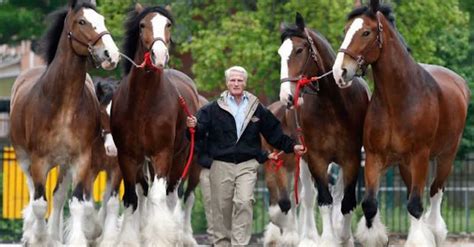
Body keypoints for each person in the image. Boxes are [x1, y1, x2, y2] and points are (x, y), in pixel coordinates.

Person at [186, 66, 306, 246]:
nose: (236, 83)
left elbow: (274, 133)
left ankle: (239, 244)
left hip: (247, 164)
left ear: (245, 83)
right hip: (220, 165)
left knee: (244, 203)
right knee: (221, 210)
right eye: (233, 80)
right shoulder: (212, 109)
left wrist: (292, 146)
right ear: (227, 83)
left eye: (239, 80)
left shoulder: (256, 108)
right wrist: (193, 127)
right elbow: (199, 133)